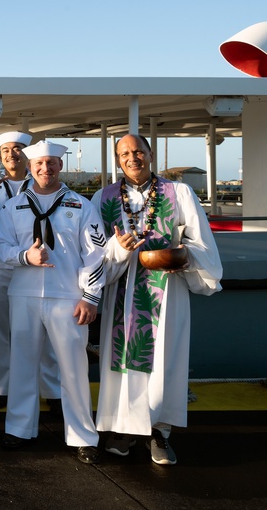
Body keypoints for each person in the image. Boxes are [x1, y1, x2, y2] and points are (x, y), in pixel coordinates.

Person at [92, 134, 222, 465]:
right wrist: (118, 249)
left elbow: (201, 241)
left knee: (165, 360)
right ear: (117, 159)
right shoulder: (102, 197)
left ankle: (159, 433)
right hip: (121, 292)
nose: (132, 157)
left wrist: (181, 255)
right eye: (124, 153)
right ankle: (123, 428)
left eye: (138, 151)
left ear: (150, 154)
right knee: (122, 361)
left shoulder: (180, 192)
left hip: (167, 290)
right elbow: (91, 253)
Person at [0, 139, 105, 465]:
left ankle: (83, 435)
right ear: (30, 167)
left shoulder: (81, 206)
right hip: (24, 295)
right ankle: (19, 428)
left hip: (68, 297)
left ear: (60, 166)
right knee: (23, 365)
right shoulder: (12, 208)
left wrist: (90, 297)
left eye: (52, 163)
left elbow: (96, 255)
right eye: (39, 164)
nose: (46, 169)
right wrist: (24, 256)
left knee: (73, 369)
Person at [0, 131, 61, 411]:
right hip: (2, 263)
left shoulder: (40, 181)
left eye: (18, 149)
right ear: (0, 157)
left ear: (29, 155)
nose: (12, 155)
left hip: (36, 265)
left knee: (45, 328)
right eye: (5, 151)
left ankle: (50, 387)